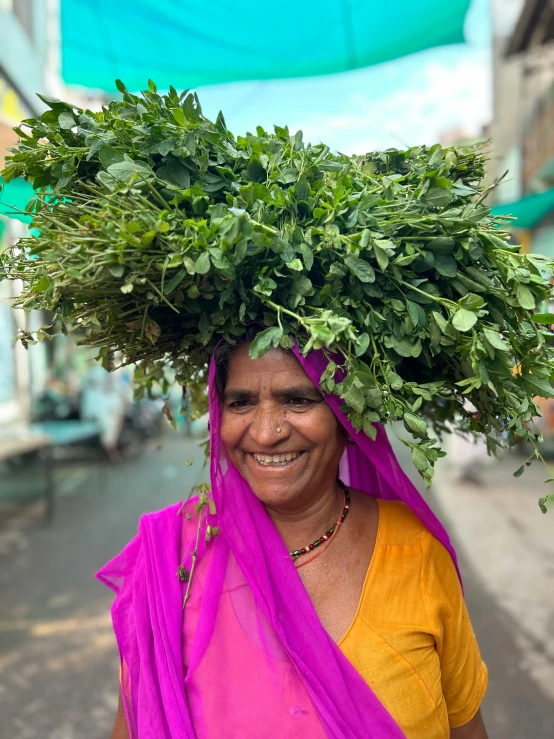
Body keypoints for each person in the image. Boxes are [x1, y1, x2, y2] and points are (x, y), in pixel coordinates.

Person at [100, 326, 488, 739]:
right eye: (241, 402)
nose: (267, 433)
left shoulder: (416, 552)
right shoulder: (175, 556)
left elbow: (466, 727)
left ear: (348, 414)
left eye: (298, 400)